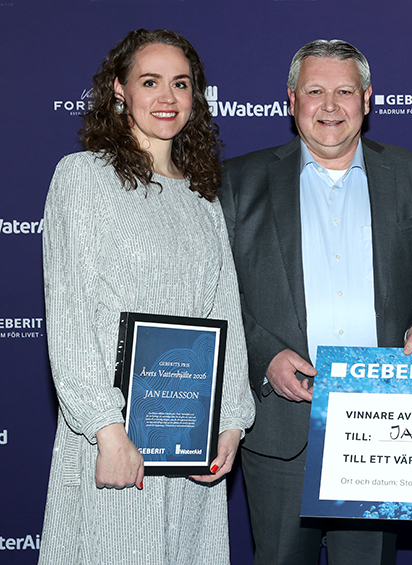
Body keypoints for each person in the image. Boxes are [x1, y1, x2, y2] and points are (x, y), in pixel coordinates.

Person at [218, 39, 412, 565]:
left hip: (381, 426)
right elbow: (220, 296)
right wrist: (264, 357)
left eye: (344, 92)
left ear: (367, 99)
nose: (329, 106)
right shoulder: (238, 181)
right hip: (282, 427)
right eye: (314, 91)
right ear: (291, 100)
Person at [39, 29, 255, 564]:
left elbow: (224, 313)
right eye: (150, 81)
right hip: (113, 446)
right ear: (120, 90)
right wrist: (107, 429)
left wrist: (230, 421)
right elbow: (69, 317)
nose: (167, 98)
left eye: (180, 84)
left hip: (188, 446)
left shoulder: (202, 197)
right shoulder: (82, 179)